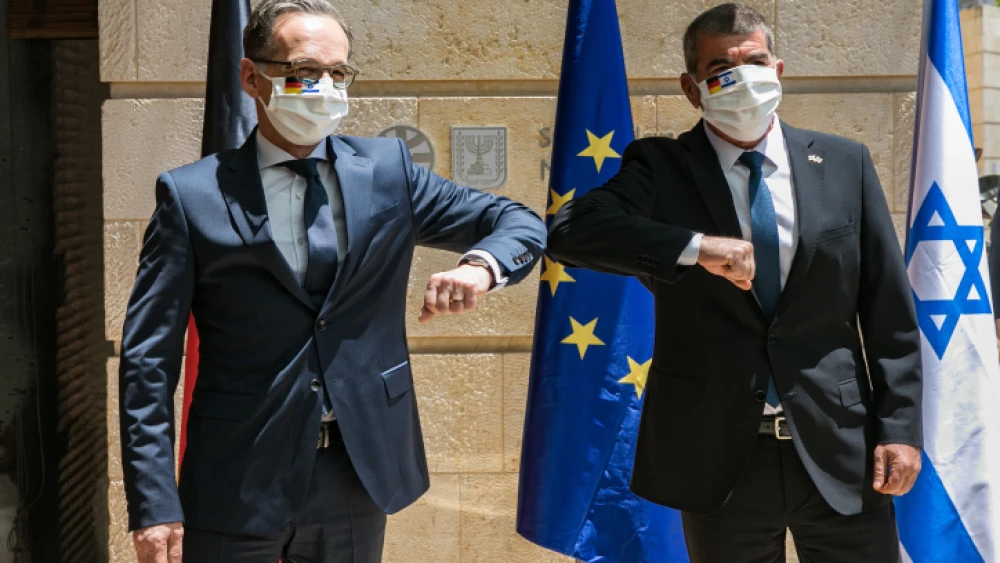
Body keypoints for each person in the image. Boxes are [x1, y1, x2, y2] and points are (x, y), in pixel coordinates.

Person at [118, 1, 545, 561]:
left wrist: (481, 266)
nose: (325, 86)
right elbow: (148, 361)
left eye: (338, 73)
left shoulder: (389, 171)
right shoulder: (192, 196)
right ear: (252, 76)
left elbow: (518, 221)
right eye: (304, 72)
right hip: (235, 479)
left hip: (356, 472)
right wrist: (154, 503)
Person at [548, 4, 922, 562]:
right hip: (720, 457)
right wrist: (697, 248)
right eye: (721, 66)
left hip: (840, 448)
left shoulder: (844, 162)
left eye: (755, 60)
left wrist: (901, 428)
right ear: (692, 88)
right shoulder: (659, 166)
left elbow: (889, 312)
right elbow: (572, 231)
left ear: (778, 69)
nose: (742, 76)